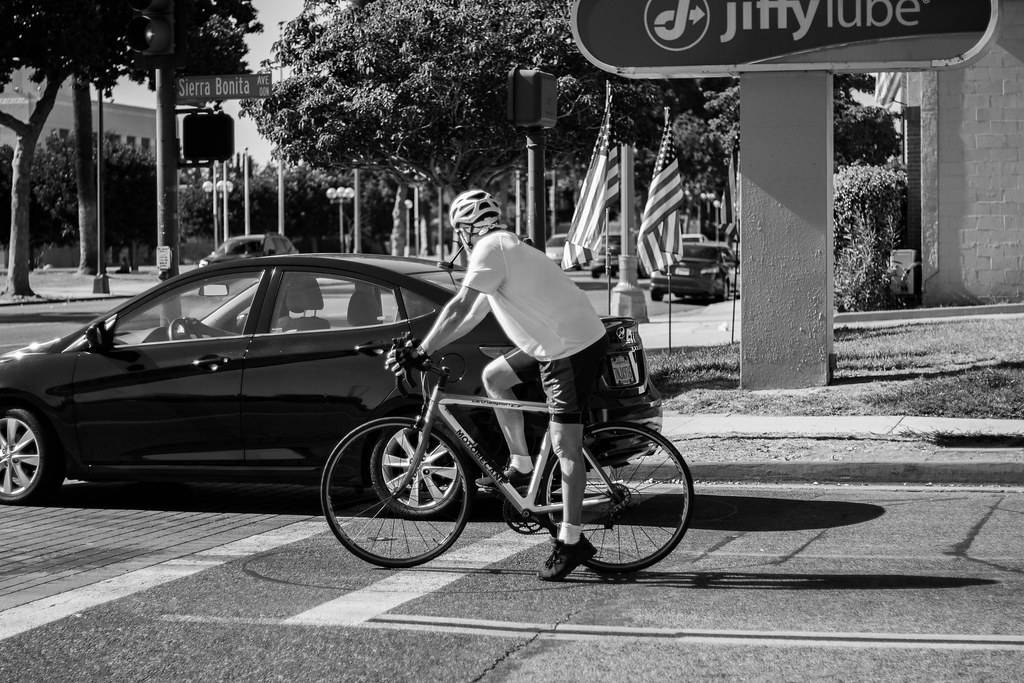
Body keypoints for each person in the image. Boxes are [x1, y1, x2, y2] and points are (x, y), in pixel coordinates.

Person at [385, 189, 609, 582]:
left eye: (459, 231)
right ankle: (521, 463)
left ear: (467, 228)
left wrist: (421, 351)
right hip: (553, 344)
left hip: (570, 349)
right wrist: (428, 347)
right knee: (495, 377)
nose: (459, 240)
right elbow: (471, 315)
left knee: (565, 446)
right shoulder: (505, 247)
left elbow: (456, 307)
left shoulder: (490, 248)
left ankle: (571, 541)